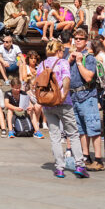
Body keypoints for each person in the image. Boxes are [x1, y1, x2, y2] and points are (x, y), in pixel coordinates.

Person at [37, 39, 88, 179]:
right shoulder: (62, 63)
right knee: (73, 133)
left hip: (48, 103)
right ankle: (80, 165)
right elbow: (66, 80)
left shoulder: (41, 65)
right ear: (59, 51)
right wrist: (63, 95)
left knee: (55, 136)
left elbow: (36, 84)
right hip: (63, 102)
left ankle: (59, 167)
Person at [68, 29, 104, 171]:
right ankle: (86, 156)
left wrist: (78, 63)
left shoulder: (89, 58)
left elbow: (89, 77)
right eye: (75, 38)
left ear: (86, 40)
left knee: (93, 127)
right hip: (74, 97)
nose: (77, 40)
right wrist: (70, 60)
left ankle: (98, 159)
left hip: (87, 95)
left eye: (81, 39)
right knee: (81, 129)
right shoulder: (71, 56)